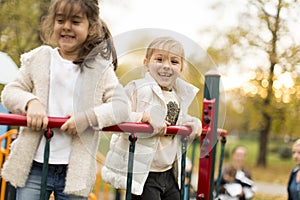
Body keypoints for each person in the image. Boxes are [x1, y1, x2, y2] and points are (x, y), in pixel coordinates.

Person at [0, 0, 129, 199]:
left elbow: (121, 106)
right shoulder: (40, 58)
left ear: (91, 27)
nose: (66, 27)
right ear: (53, 23)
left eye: (76, 22)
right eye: (60, 20)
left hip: (75, 168)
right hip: (34, 165)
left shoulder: (99, 68)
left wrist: (88, 118)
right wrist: (30, 102)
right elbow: (10, 91)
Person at [102, 36, 202, 200]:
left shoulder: (179, 95)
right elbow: (117, 115)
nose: (166, 66)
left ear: (181, 68)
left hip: (169, 172)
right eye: (159, 59)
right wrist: (145, 117)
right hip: (143, 174)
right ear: (146, 63)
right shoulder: (137, 88)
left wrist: (192, 122)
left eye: (174, 62)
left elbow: (176, 120)